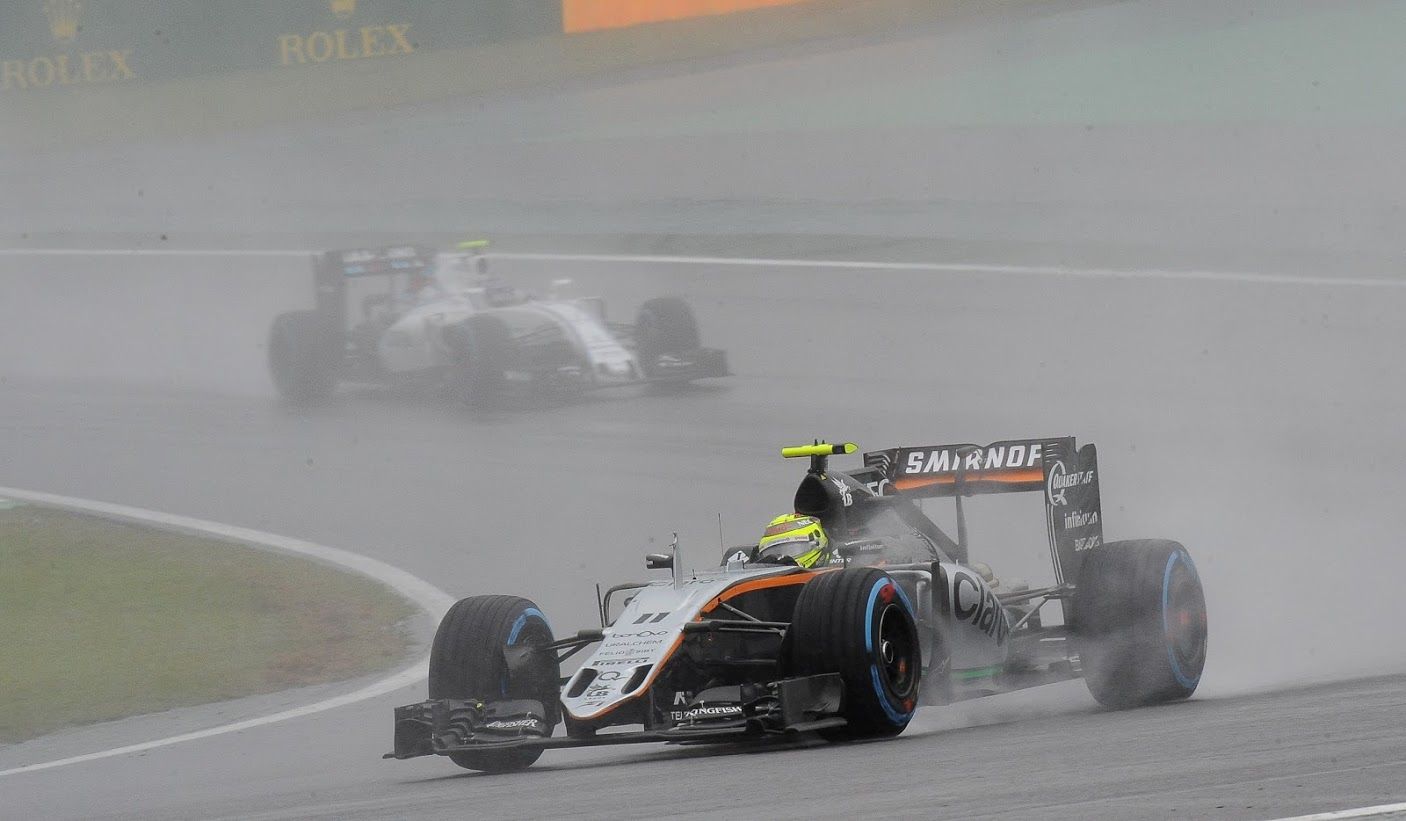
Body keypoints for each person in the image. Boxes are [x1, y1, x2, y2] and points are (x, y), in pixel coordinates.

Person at [756, 513, 833, 568]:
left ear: (818, 544)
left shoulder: (840, 569)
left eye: (792, 549)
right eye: (774, 552)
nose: (782, 559)